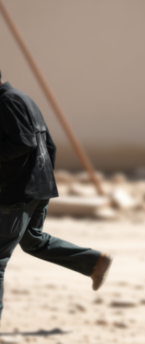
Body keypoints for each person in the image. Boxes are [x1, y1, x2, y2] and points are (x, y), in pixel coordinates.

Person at [0, 70, 113, 326]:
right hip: (37, 189)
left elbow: (24, 142)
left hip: (18, 193)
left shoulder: (7, 102)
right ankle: (94, 262)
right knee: (33, 241)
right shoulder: (24, 99)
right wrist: (43, 182)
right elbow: (49, 145)